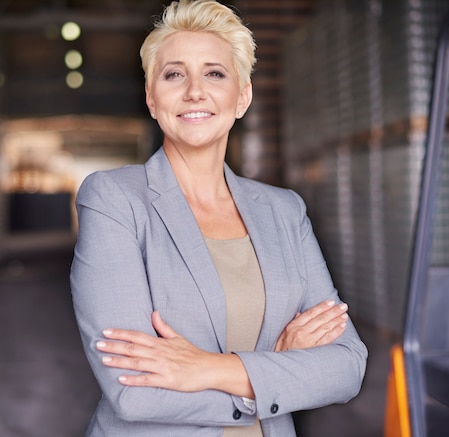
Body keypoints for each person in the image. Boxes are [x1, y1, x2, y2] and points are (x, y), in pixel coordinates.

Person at [70, 0, 368, 435]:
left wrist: (209, 368)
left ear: (242, 96)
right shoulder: (114, 200)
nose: (194, 91)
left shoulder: (284, 210)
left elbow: (346, 366)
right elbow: (133, 390)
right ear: (152, 98)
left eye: (214, 73)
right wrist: (277, 371)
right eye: (174, 74)